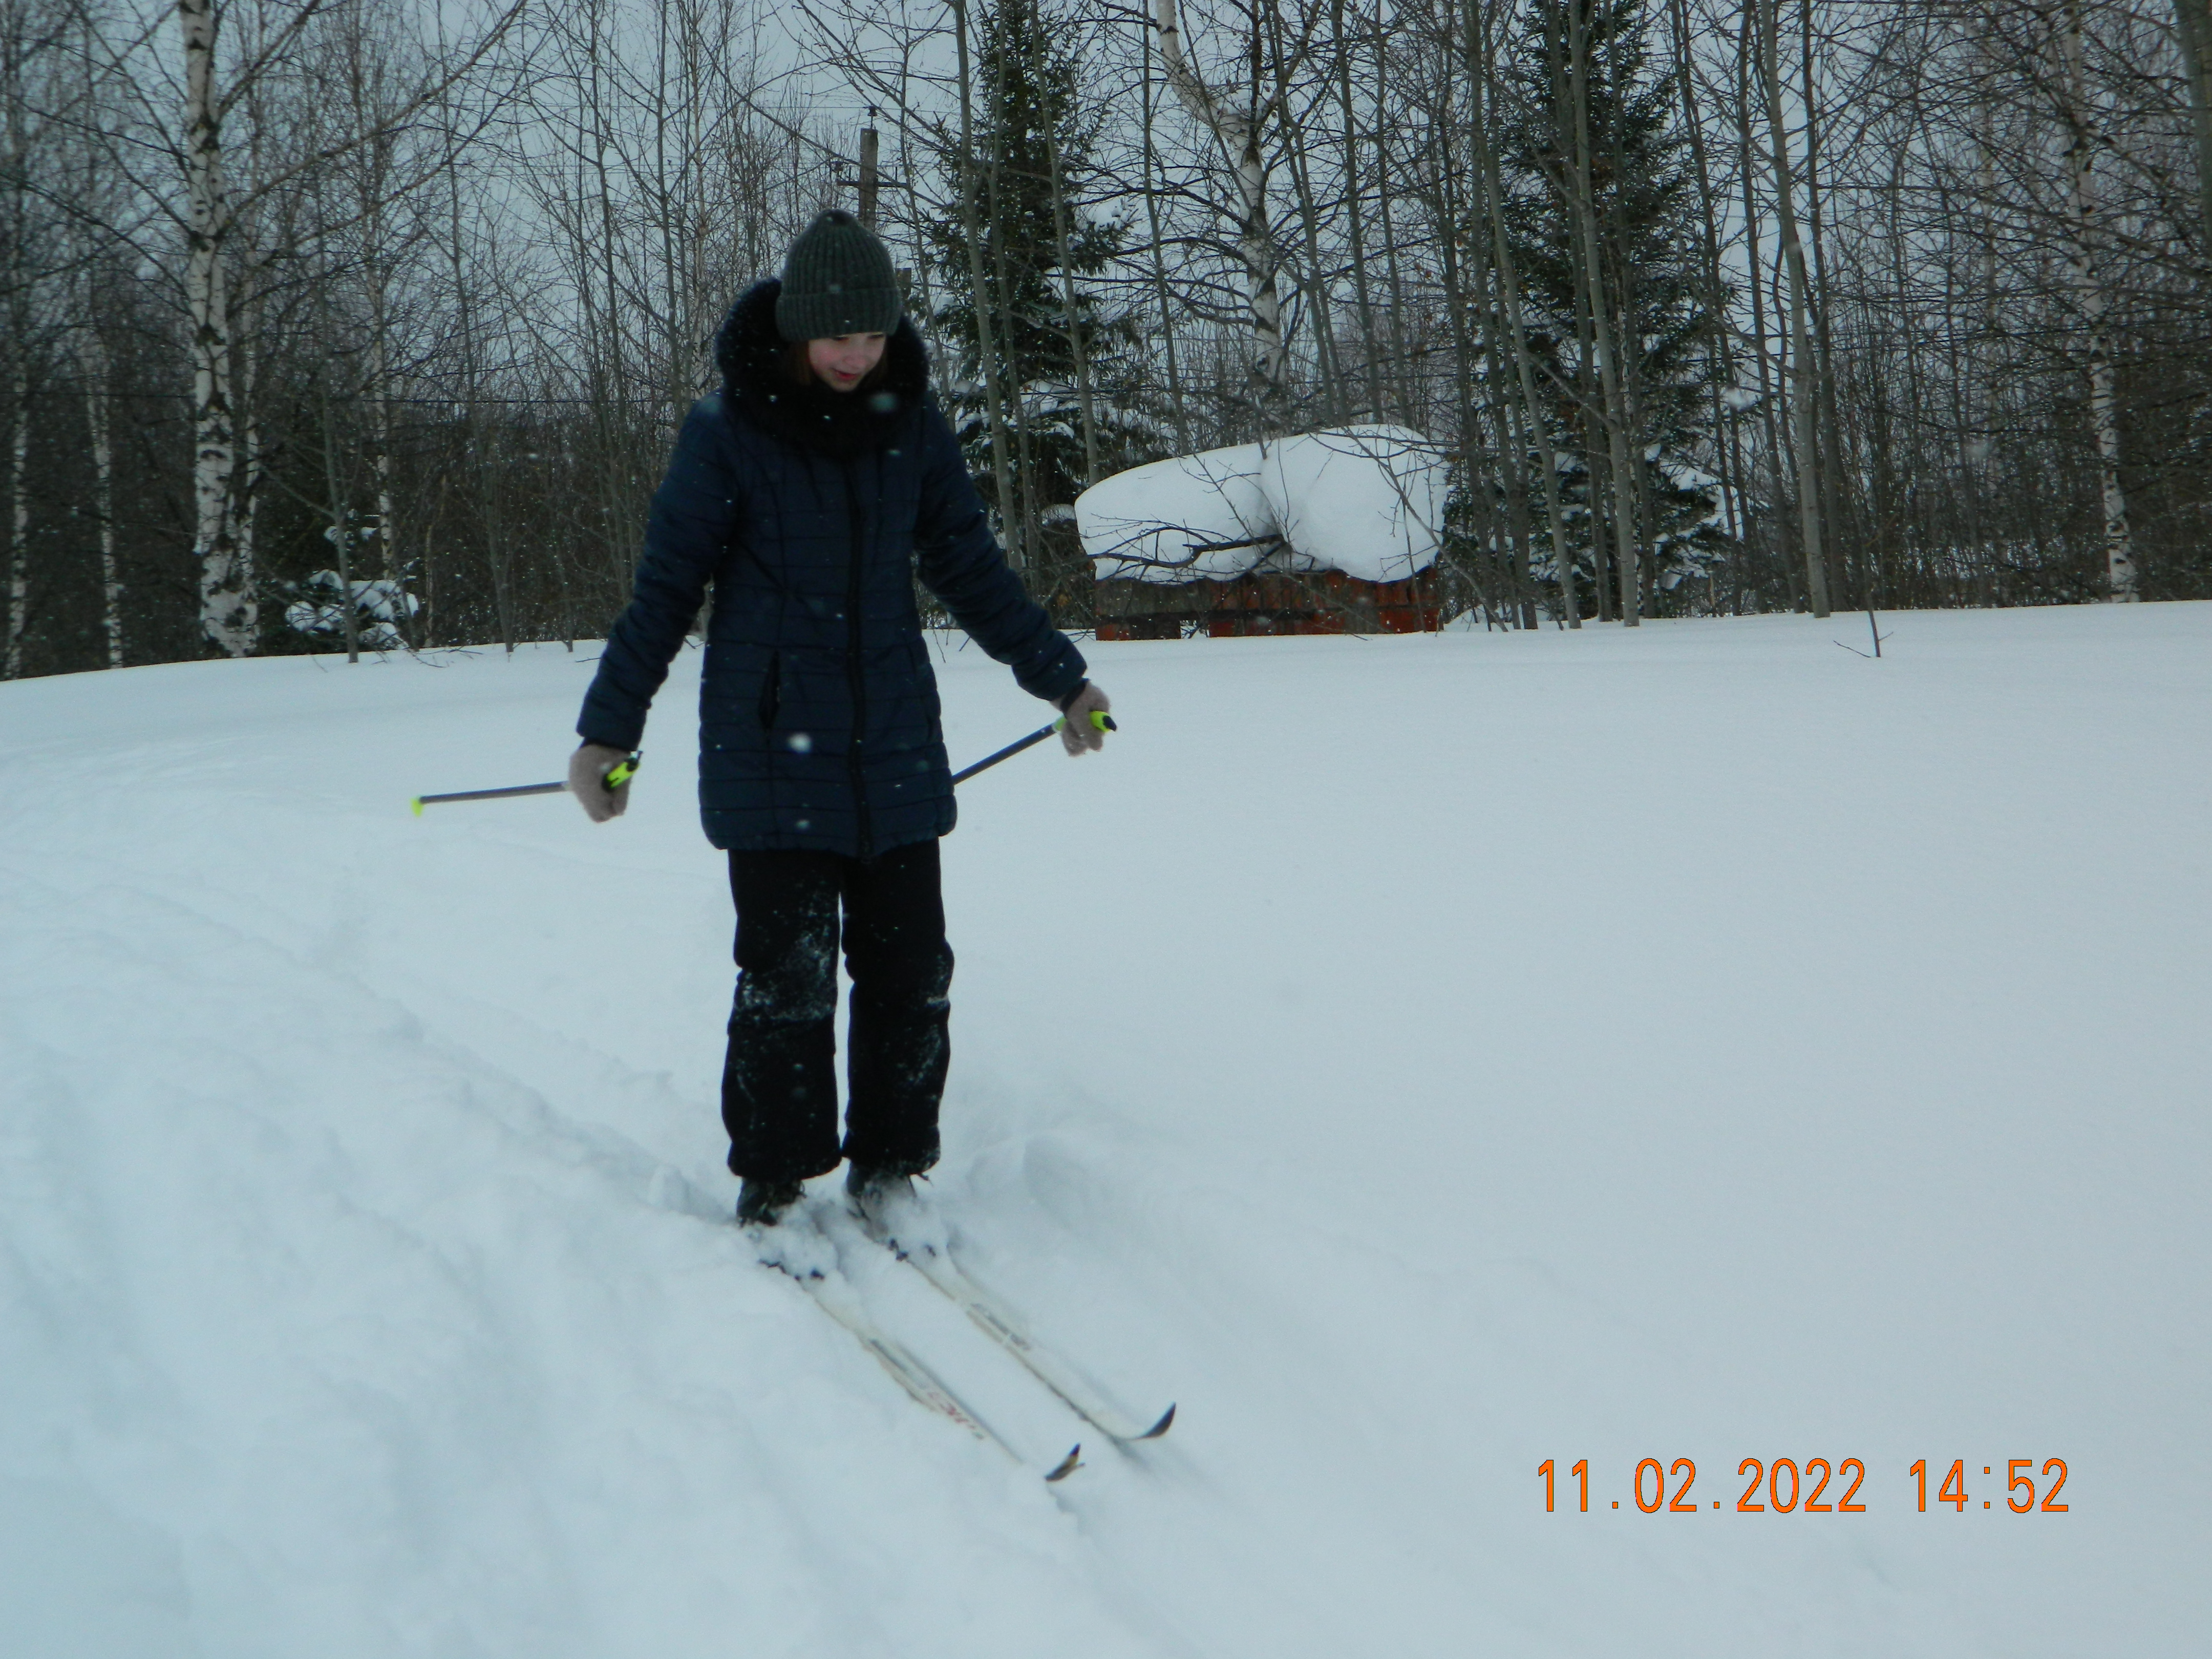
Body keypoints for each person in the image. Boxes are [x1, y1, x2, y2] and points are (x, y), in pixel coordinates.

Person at [567, 209, 1110, 1230]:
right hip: (770, 752)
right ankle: (775, 1179)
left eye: (870, 335)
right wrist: (610, 733)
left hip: (895, 748)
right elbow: (665, 591)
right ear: (797, 329)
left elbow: (969, 566)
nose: (856, 355)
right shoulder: (727, 434)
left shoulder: (911, 425)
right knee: (788, 979)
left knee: (912, 973)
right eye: (836, 336)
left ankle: (892, 1167)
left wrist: (1062, 682)